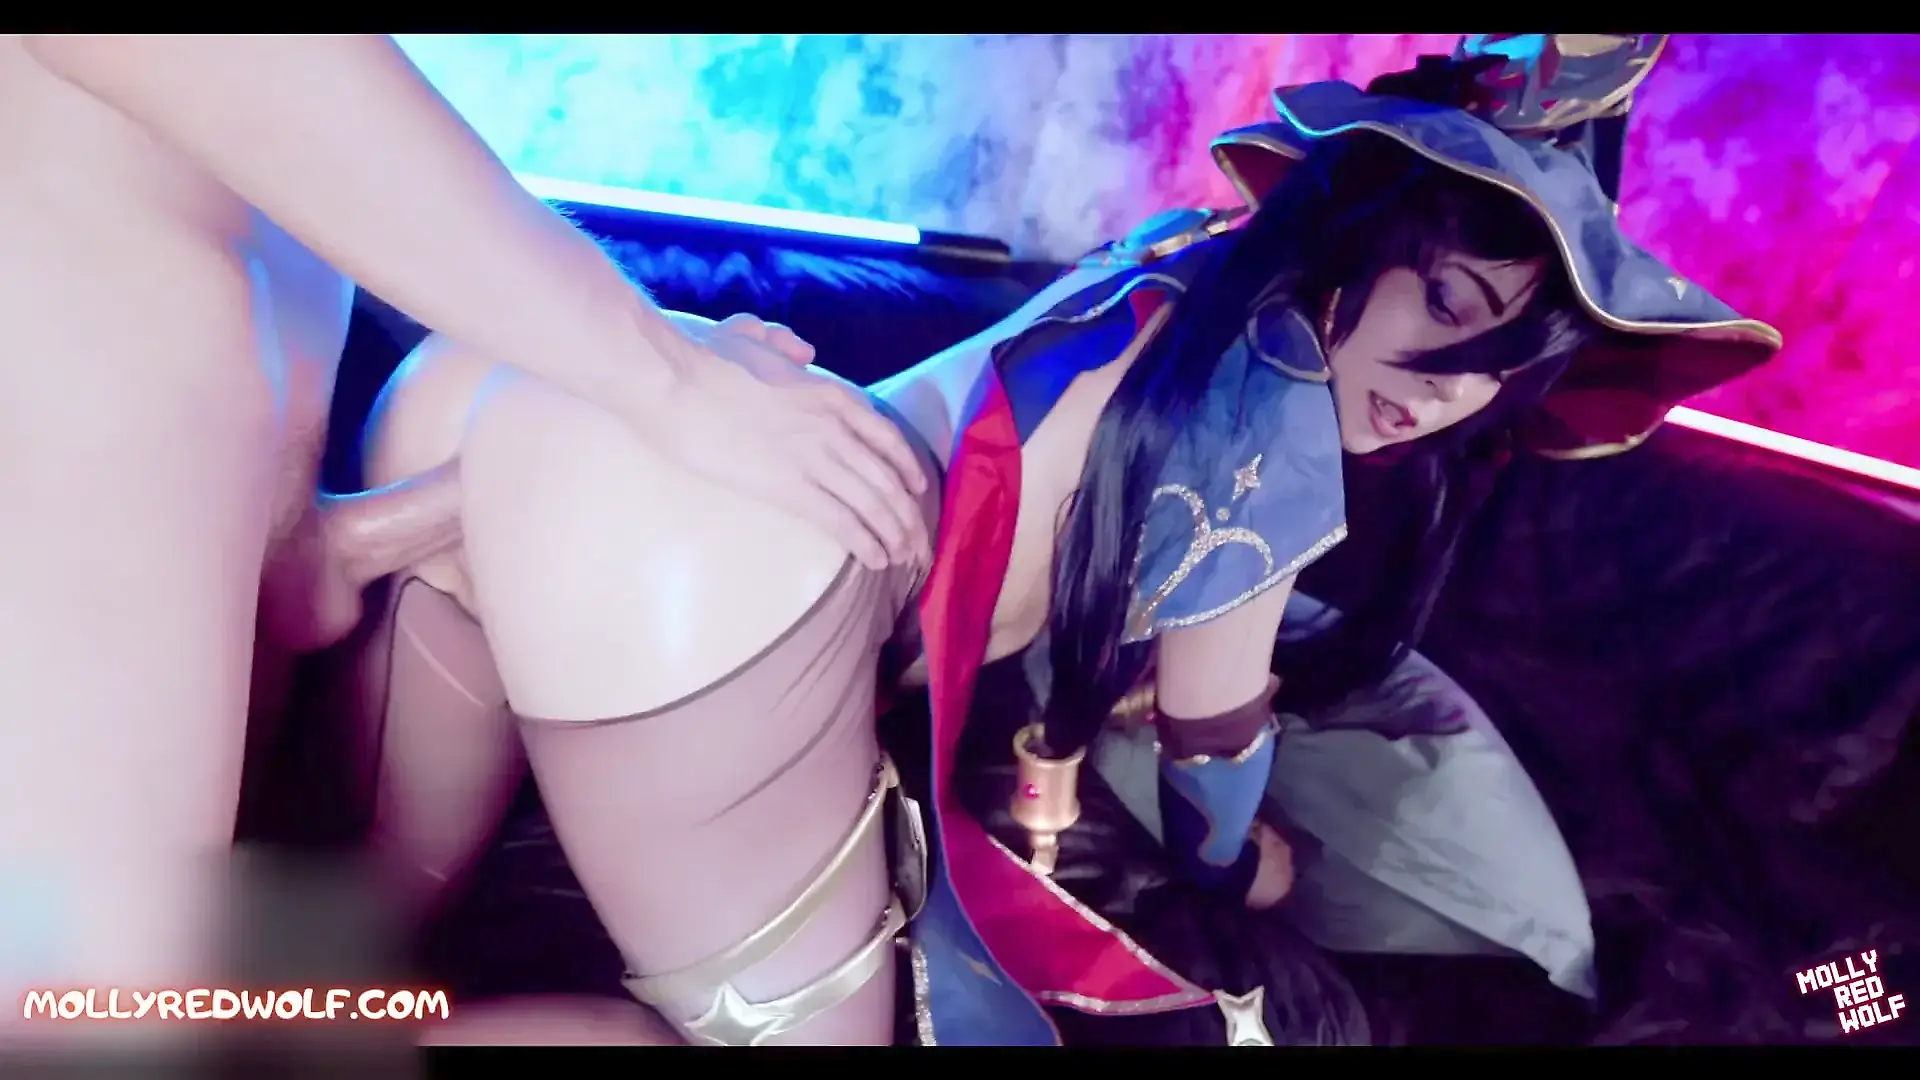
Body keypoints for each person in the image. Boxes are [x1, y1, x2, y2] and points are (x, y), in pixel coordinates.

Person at [336, 34, 1781, 1045]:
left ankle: (371, 567)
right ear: (1360, 237)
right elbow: (1215, 756)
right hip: (716, 554)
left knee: (373, 922)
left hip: (518, 403)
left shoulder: (1166, 258)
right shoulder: (1274, 431)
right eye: (1449, 309)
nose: (1442, 393)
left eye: (1496, 377)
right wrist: (1256, 869)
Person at [0, 34, 928, 1045]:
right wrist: (666, 378)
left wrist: (622, 402)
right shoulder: (99, 251)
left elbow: (282, 579)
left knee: (517, 408)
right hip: (85, 1022)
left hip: (181, 971)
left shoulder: (191, 208)